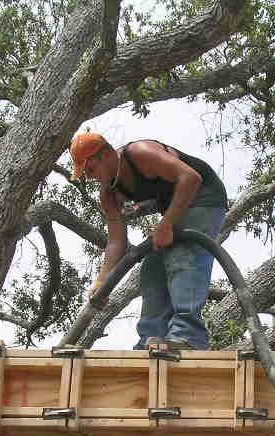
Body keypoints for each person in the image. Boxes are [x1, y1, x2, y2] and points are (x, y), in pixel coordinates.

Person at [69, 131, 228, 350]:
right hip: (177, 207)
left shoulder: (140, 153)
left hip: (204, 197)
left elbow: (191, 178)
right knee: (151, 268)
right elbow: (116, 242)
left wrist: (166, 225)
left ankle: (188, 336)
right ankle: (151, 339)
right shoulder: (109, 195)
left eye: (91, 169)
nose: (91, 176)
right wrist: (102, 281)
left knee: (182, 256)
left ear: (105, 154)